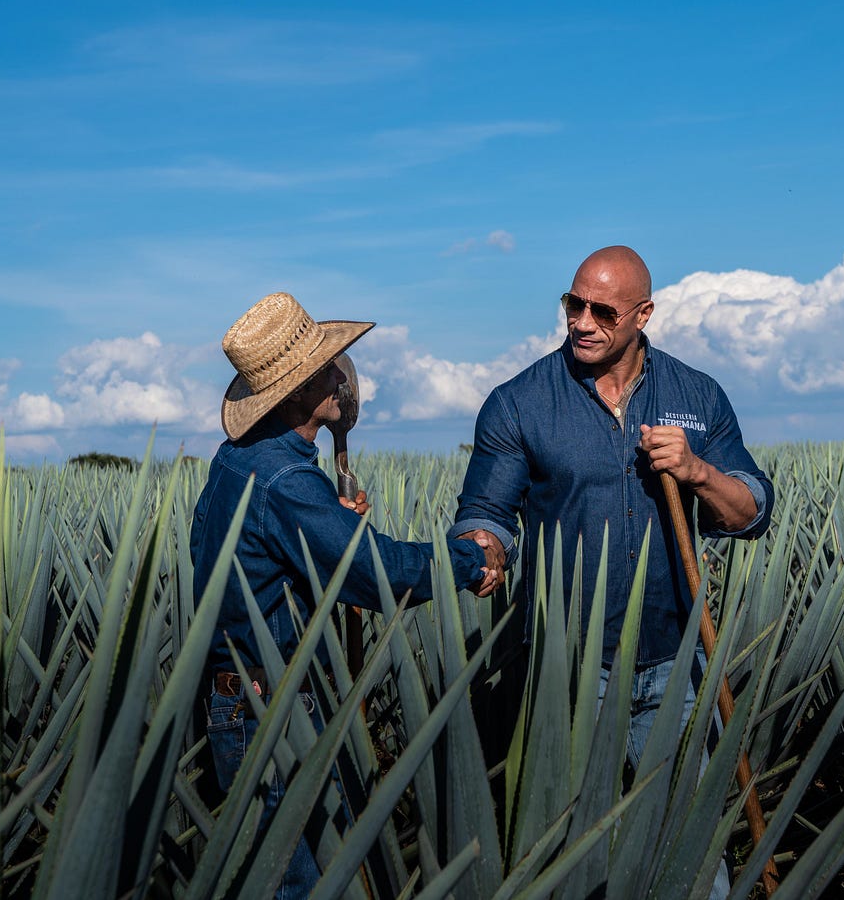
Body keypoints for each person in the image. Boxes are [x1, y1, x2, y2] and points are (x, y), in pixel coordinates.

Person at [449, 245, 774, 898]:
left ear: (644, 314)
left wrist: (697, 472)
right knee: (578, 854)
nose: (583, 321)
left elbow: (751, 511)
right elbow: (485, 509)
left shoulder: (695, 395)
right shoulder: (521, 403)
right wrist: (484, 546)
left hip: (673, 663)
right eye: (574, 304)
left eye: (603, 310)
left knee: (689, 848)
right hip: (570, 673)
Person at [191, 291, 500, 899]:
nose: (340, 378)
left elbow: (268, 562)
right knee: (296, 886)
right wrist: (472, 559)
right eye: (326, 369)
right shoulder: (284, 479)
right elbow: (381, 572)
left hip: (242, 700)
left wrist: (329, 524)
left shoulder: (241, 460)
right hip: (269, 712)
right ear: (301, 390)